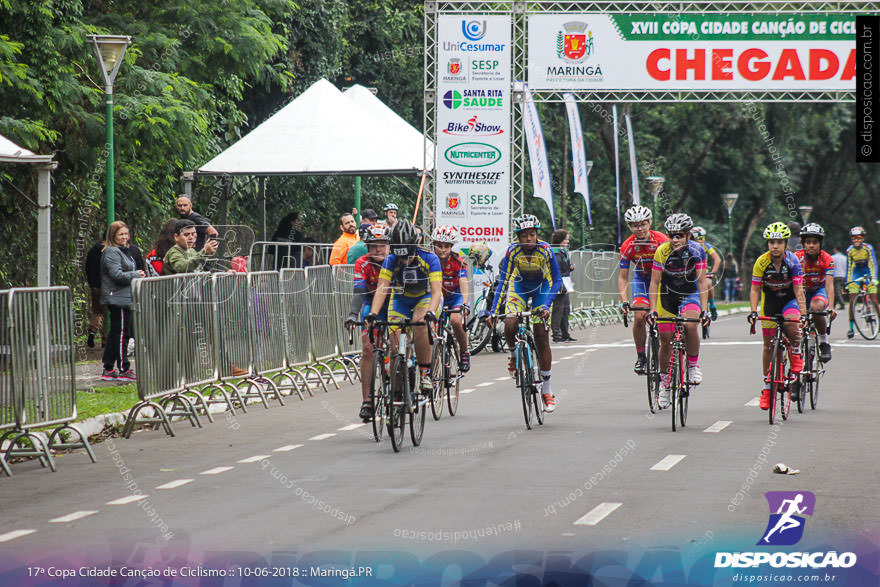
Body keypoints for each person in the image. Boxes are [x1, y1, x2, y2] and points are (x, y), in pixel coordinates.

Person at [490, 214, 562, 412]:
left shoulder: (545, 250)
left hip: (541, 290)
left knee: (541, 335)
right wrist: (493, 311)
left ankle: (547, 390)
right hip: (519, 287)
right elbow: (503, 282)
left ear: (537, 234)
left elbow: (557, 281)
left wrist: (546, 306)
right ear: (518, 237)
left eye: (532, 235)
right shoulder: (512, 252)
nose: (529, 239)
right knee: (510, 323)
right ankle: (514, 355)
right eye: (524, 236)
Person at [366, 220, 443, 394]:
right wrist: (373, 313)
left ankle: (425, 373)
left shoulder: (430, 258)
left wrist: (430, 311)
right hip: (400, 299)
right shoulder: (391, 260)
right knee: (395, 347)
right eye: (401, 257)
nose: (405, 261)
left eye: (407, 256)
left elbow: (437, 291)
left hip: (425, 297)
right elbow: (382, 287)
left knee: (420, 322)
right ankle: (398, 394)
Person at [647, 214, 708, 409]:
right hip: (668, 297)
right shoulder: (662, 252)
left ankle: (692, 365)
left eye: (679, 235)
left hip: (689, 294)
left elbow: (701, 282)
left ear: (688, 235)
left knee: (691, 325)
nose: (674, 240)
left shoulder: (697, 251)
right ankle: (665, 385)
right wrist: (653, 310)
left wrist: (704, 310)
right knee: (665, 340)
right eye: (671, 235)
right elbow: (655, 282)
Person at [748, 222, 806, 411]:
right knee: (768, 345)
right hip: (770, 303)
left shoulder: (793, 262)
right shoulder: (761, 262)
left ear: (785, 243)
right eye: (771, 242)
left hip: (789, 301)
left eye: (779, 242)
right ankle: (767, 387)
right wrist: (753, 311)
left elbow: (798, 289)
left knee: (791, 322)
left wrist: (803, 314)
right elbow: (755, 289)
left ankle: (796, 352)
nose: (775, 246)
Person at [344, 224, 391, 422]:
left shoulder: (394, 262)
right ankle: (367, 401)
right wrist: (353, 314)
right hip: (370, 304)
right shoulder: (362, 263)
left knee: (398, 343)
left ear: (389, 246)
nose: (377, 249)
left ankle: (402, 369)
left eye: (382, 245)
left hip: (394, 304)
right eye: (373, 246)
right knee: (367, 349)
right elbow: (359, 291)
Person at [617, 205, 669, 375]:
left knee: (662, 318)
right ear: (630, 227)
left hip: (662, 280)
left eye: (643, 224)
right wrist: (624, 301)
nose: (639, 229)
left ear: (650, 223)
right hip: (642, 280)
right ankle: (641, 356)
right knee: (639, 316)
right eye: (634, 225)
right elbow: (623, 277)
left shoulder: (661, 240)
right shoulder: (627, 246)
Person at [100, 221, 145, 381]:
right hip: (118, 298)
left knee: (115, 334)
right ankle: (124, 368)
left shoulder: (124, 251)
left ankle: (108, 367)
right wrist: (135, 274)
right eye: (121, 234)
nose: (124, 237)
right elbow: (116, 275)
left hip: (125, 296)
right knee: (122, 334)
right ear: (113, 236)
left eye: (126, 234)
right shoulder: (112, 252)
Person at [794, 223, 835, 365]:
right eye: (808, 242)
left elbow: (829, 285)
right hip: (801, 291)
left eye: (815, 242)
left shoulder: (827, 259)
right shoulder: (796, 258)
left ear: (820, 243)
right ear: (803, 244)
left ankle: (824, 342)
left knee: (816, 308)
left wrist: (831, 307)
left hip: (819, 289)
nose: (811, 245)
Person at [431, 225, 471, 372]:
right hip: (437, 296)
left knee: (455, 320)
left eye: (446, 246)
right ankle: (431, 368)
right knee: (430, 327)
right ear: (433, 245)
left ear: (451, 246)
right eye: (439, 246)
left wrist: (465, 303)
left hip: (456, 297)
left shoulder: (457, 262)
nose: (442, 249)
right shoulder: (429, 260)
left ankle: (464, 350)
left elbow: (463, 282)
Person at [845, 226, 879, 338]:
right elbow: (849, 267)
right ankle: (850, 328)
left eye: (858, 238)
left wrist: (874, 278)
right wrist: (848, 282)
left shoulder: (868, 248)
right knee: (852, 300)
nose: (856, 241)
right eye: (854, 238)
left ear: (863, 239)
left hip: (868, 271)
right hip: (856, 272)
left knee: (874, 298)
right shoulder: (850, 250)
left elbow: (872, 263)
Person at [690, 226, 722, 320]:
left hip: (704, 271)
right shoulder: (689, 246)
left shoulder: (706, 246)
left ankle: (712, 305)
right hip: (691, 272)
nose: (702, 240)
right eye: (699, 238)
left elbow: (717, 259)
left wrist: (713, 272)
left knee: (708, 283)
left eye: (704, 237)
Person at [550, 229, 576, 343]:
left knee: (566, 310)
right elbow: (557, 270)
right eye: (566, 239)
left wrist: (569, 267)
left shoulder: (563, 251)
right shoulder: (555, 252)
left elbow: (564, 266)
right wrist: (561, 287)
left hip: (566, 281)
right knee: (558, 310)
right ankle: (557, 334)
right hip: (559, 283)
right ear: (560, 239)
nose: (567, 241)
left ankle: (565, 333)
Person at [84, 241, 106, 348]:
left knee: (97, 310)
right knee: (107, 311)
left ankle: (92, 331)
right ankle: (105, 339)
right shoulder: (109, 251)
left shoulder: (93, 251)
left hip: (95, 286)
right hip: (106, 285)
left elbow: (88, 268)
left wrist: (92, 283)